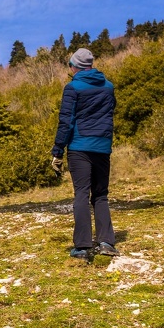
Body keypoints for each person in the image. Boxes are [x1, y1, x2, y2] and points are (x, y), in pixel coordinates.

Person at [51, 48, 119, 259]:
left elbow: (66, 121)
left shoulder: (72, 88)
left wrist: (57, 151)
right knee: (101, 195)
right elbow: (110, 111)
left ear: (75, 66)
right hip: (102, 146)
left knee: (81, 193)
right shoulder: (108, 87)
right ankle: (106, 242)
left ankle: (82, 246)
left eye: (70, 65)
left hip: (80, 147)